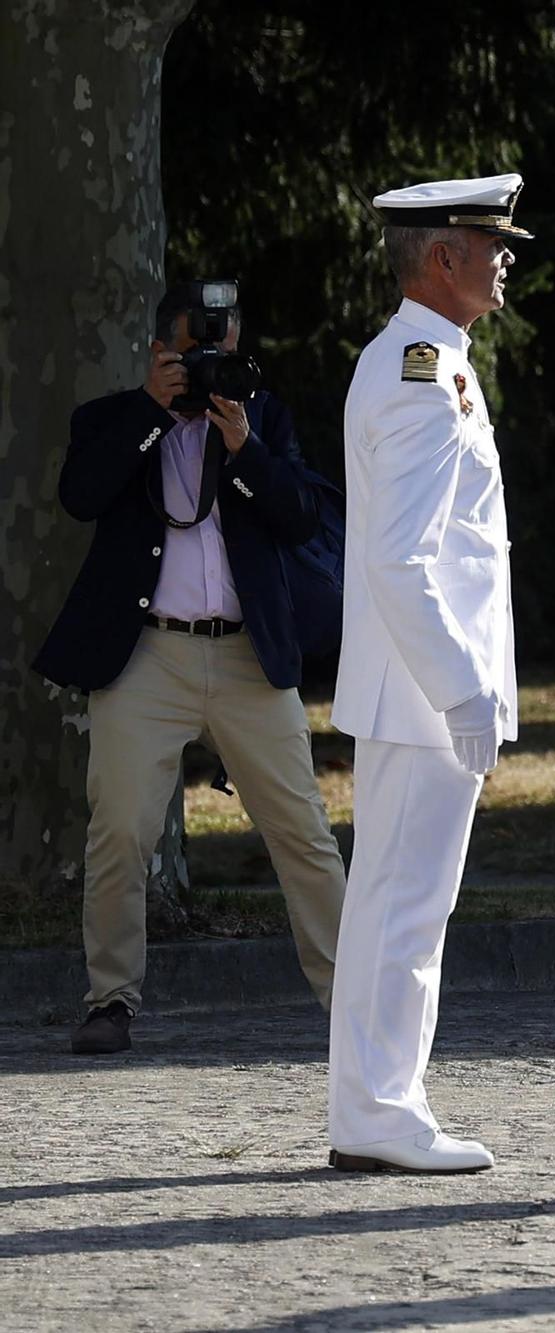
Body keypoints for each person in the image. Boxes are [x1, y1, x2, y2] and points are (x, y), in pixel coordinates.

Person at [34, 282, 346, 1055]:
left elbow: (305, 512)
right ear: (159, 352)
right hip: (148, 655)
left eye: (227, 351)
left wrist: (245, 449)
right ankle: (111, 999)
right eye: (198, 353)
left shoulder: (263, 417)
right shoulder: (112, 417)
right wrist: (151, 411)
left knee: (303, 830)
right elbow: (79, 495)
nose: (215, 366)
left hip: (248, 654)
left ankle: (354, 1001)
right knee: (120, 830)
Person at [326, 174, 528, 1174]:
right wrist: (461, 685)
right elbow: (403, 558)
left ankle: (378, 1101)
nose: (504, 257)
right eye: (487, 242)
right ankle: (377, 1110)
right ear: (438, 257)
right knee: (402, 906)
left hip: (419, 687)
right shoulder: (418, 371)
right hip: (422, 692)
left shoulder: (432, 359)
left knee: (398, 903)